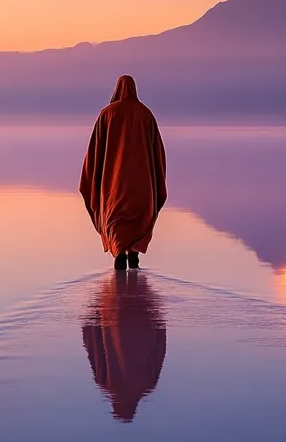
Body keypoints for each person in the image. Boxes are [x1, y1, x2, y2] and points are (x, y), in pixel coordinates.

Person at [79, 75, 167, 270]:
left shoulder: (107, 114)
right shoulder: (146, 114)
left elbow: (95, 152)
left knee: (115, 219)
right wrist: (156, 182)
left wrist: (93, 179)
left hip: (114, 185)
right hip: (142, 186)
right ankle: (134, 253)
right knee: (138, 220)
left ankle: (119, 254)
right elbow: (157, 153)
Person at [81, 270, 167, 422]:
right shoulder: (107, 384)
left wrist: (160, 329)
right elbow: (96, 350)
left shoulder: (146, 385)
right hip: (120, 320)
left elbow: (159, 352)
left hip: (130, 322)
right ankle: (132, 259)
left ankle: (126, 262)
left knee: (122, 270)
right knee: (130, 276)